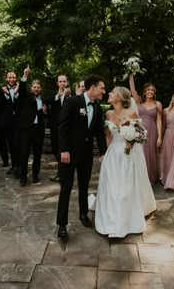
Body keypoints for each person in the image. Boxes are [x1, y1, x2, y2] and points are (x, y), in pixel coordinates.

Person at [95, 86, 156, 238]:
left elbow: (140, 134)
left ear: (120, 97)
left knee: (125, 187)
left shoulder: (132, 113)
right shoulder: (108, 113)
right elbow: (108, 135)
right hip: (112, 155)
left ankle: (124, 219)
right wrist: (105, 153)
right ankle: (110, 218)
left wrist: (130, 145)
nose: (109, 93)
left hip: (127, 154)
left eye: (112, 92)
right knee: (111, 185)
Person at [57, 74, 107, 240]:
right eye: (102, 88)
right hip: (68, 155)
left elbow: (99, 132)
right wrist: (64, 150)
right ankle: (62, 225)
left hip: (86, 155)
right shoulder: (72, 102)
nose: (104, 91)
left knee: (84, 186)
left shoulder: (98, 107)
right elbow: (62, 127)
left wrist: (103, 152)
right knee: (66, 188)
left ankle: (83, 214)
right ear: (92, 87)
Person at [16, 67, 46, 187]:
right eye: (34, 87)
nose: (36, 89)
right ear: (31, 88)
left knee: (38, 153)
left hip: (38, 130)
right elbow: (22, 89)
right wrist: (25, 75)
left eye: (38, 87)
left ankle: (35, 175)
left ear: (41, 89)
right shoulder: (26, 96)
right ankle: (23, 176)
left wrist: (44, 111)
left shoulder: (44, 99)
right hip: (27, 130)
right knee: (24, 153)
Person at [129, 74, 162, 184]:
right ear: (144, 92)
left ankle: (149, 177)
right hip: (139, 129)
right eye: (148, 90)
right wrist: (131, 74)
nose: (150, 92)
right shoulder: (139, 101)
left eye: (152, 90)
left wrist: (160, 136)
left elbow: (159, 120)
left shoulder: (157, 104)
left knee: (150, 153)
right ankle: (140, 177)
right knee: (140, 152)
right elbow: (132, 89)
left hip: (152, 130)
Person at [43, 75, 71, 183]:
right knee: (55, 149)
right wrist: (57, 96)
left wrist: (68, 97)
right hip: (55, 127)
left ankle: (62, 174)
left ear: (67, 82)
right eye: (60, 81)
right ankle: (61, 172)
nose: (62, 83)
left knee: (64, 150)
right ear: (57, 83)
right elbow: (45, 99)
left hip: (67, 128)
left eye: (64, 81)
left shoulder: (70, 94)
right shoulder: (52, 93)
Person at [0, 70, 20, 177]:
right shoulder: (1, 89)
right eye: (9, 77)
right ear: (6, 79)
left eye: (13, 77)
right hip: (7, 123)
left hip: (19, 122)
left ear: (16, 78)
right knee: (11, 145)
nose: (11, 79)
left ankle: (19, 166)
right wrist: (6, 94)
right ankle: (14, 166)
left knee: (18, 145)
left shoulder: (21, 88)